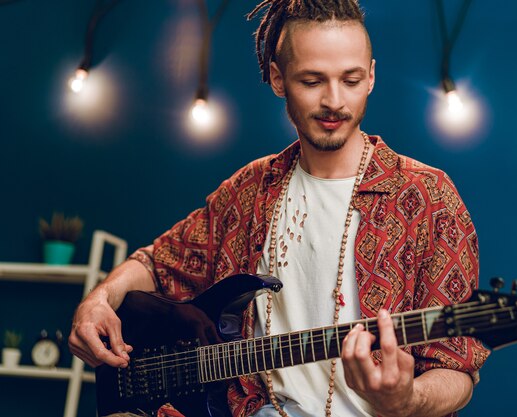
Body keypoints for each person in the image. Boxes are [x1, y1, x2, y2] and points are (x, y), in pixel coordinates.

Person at [69, 1, 490, 416]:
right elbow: (158, 263)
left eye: (351, 80)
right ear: (277, 78)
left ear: (372, 76)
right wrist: (97, 302)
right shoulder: (251, 189)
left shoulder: (427, 197)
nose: (334, 101)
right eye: (312, 81)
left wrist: (407, 401)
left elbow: (458, 367)